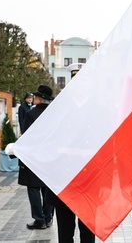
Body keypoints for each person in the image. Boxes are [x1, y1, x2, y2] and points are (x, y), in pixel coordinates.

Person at [44, 62, 95, 243]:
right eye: (75, 81)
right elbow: (46, 138)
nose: (79, 85)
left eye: (83, 81)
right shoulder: (59, 108)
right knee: (65, 232)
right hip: (64, 179)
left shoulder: (97, 110)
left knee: (87, 232)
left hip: (89, 180)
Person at [9, 85, 55, 230]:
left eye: (35, 96)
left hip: (34, 156)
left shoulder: (30, 114)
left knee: (33, 188)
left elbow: (27, 138)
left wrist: (22, 159)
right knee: (47, 188)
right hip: (50, 157)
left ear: (39, 98)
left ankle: (39, 219)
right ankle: (48, 218)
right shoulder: (55, 113)